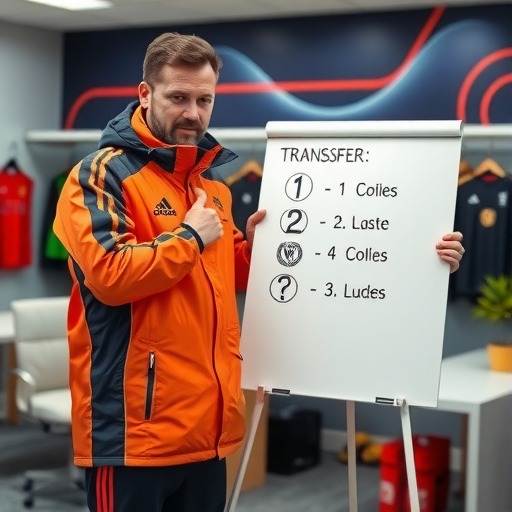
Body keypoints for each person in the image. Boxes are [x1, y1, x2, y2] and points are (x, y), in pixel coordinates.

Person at [53, 32, 465, 512]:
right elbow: (110, 275)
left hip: (208, 430)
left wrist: (417, 256)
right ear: (145, 94)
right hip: (132, 436)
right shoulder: (101, 175)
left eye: (204, 100)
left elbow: (231, 272)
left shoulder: (210, 186)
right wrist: (190, 237)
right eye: (178, 98)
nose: (192, 113)